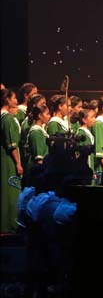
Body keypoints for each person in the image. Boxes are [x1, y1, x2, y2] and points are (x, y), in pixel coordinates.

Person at [1, 89, 22, 232]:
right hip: (8, 160)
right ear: (7, 100)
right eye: (14, 98)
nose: (16, 101)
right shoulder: (7, 118)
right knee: (10, 190)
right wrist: (18, 163)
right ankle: (10, 225)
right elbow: (12, 144)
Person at [26, 104, 50, 170]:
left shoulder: (41, 130)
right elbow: (39, 157)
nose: (49, 116)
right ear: (40, 115)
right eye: (47, 114)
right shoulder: (36, 132)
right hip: (37, 169)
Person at [74, 106, 96, 172]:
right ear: (84, 120)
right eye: (92, 117)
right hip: (84, 166)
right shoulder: (81, 133)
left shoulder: (88, 132)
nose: (94, 119)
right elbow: (78, 153)